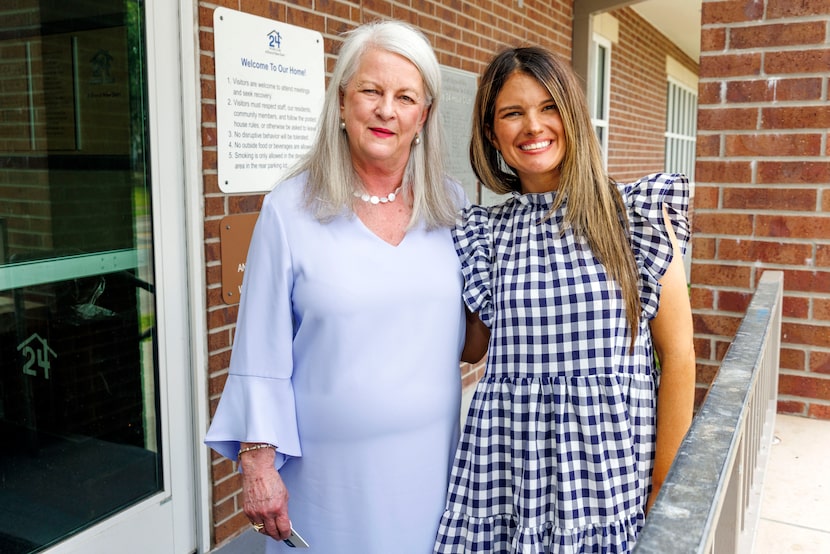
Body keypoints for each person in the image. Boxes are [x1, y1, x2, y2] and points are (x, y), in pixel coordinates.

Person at [205, 20, 471, 553]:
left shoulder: (452, 206)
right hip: (326, 480)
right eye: (371, 90)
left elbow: (476, 331)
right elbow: (260, 347)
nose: (386, 110)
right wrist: (257, 461)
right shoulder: (291, 208)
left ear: (423, 117)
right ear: (343, 102)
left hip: (429, 470)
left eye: (405, 97)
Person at [434, 46, 696, 553]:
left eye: (548, 106)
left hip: (612, 478)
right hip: (509, 479)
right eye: (512, 113)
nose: (533, 126)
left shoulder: (635, 217)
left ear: (572, 114)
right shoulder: (484, 235)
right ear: (493, 134)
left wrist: (665, 484)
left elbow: (680, 357)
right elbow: (470, 348)